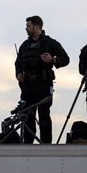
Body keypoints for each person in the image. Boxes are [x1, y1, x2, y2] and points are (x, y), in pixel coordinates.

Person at [15, 15, 69, 144]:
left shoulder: (49, 43)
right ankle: (28, 145)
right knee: (27, 116)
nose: (26, 28)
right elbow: (17, 63)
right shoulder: (25, 45)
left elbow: (66, 59)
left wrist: (53, 60)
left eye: (28, 26)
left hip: (43, 85)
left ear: (37, 27)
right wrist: (18, 74)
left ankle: (46, 146)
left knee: (44, 116)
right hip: (28, 86)